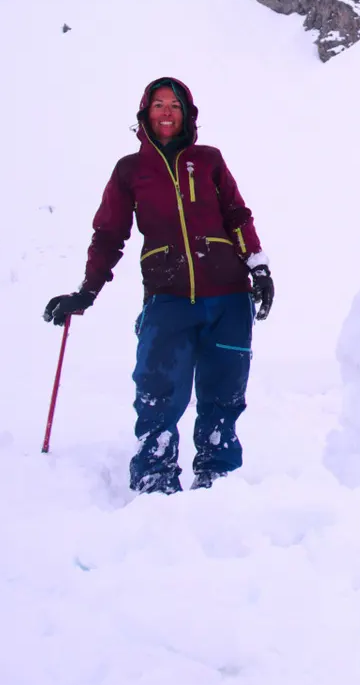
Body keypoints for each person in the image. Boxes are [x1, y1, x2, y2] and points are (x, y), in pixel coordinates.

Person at [43, 77, 274, 494]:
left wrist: (258, 267)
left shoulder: (208, 160)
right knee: (157, 393)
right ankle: (155, 479)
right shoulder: (130, 171)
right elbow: (109, 234)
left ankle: (218, 478)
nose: (167, 112)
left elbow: (237, 215)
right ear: (145, 113)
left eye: (175, 105)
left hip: (228, 297)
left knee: (224, 395)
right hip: (168, 298)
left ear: (187, 114)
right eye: (159, 104)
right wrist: (87, 291)